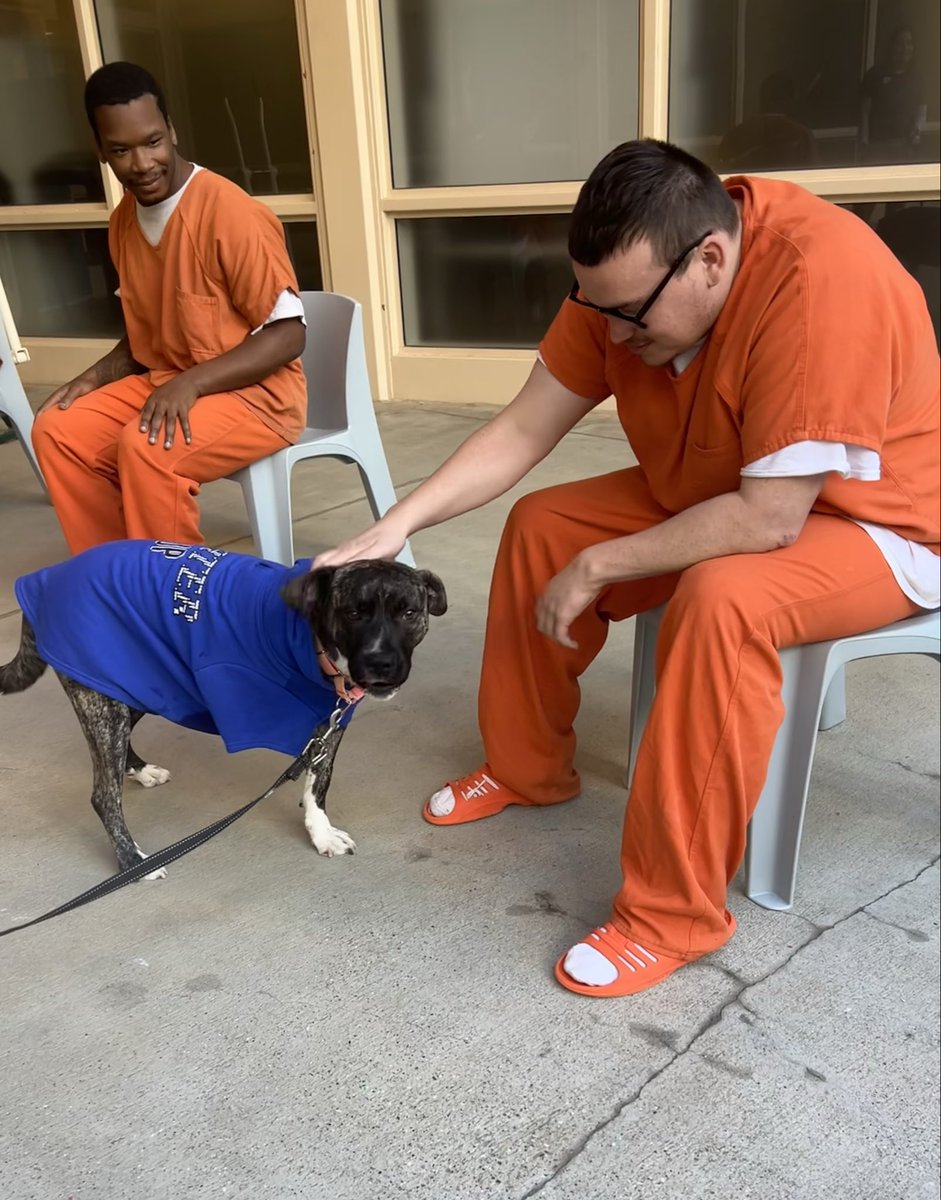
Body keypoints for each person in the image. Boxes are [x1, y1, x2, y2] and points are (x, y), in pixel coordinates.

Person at [315, 138, 940, 999]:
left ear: (710, 260)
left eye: (629, 317)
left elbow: (768, 520)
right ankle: (526, 766)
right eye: (595, 308)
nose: (609, 332)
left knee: (727, 599)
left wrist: (600, 566)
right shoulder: (628, 273)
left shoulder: (820, 282)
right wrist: (395, 526)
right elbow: (522, 431)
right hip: (727, 477)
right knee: (543, 524)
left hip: (874, 520)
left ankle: (669, 916)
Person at [32, 62, 307, 554]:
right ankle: (116, 577)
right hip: (169, 383)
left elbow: (288, 335)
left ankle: (176, 608)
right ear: (101, 151)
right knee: (57, 428)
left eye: (153, 141)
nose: (142, 163)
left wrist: (191, 382)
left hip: (258, 398)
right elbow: (150, 332)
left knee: (148, 447)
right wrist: (95, 376)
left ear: (172, 132)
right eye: (121, 150)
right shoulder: (123, 222)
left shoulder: (231, 213)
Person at [858, 26, 928, 164]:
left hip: (904, 146)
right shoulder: (874, 74)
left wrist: (916, 130)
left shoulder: (918, 77)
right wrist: (864, 143)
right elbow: (864, 112)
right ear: (891, 46)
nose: (905, 48)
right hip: (876, 146)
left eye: (909, 43)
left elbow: (921, 112)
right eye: (900, 43)